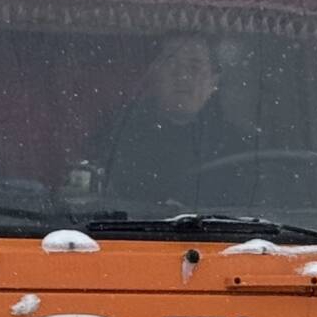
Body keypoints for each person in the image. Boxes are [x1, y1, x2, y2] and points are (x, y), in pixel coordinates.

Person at [93, 34, 260, 212]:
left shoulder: (239, 148)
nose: (182, 76)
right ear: (155, 73)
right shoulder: (119, 136)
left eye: (195, 67)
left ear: (214, 81)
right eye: (171, 64)